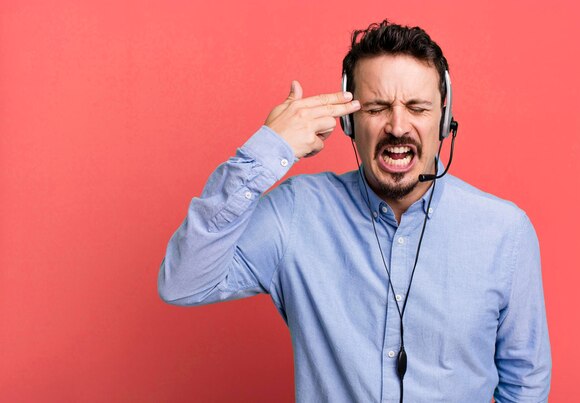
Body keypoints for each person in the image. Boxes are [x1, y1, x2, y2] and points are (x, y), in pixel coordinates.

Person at [158, 20, 551, 402]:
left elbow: (525, 384)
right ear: (348, 121)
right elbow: (183, 282)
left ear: (444, 120)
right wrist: (267, 152)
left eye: (417, 107)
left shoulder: (505, 231)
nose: (398, 126)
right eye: (377, 107)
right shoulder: (297, 213)